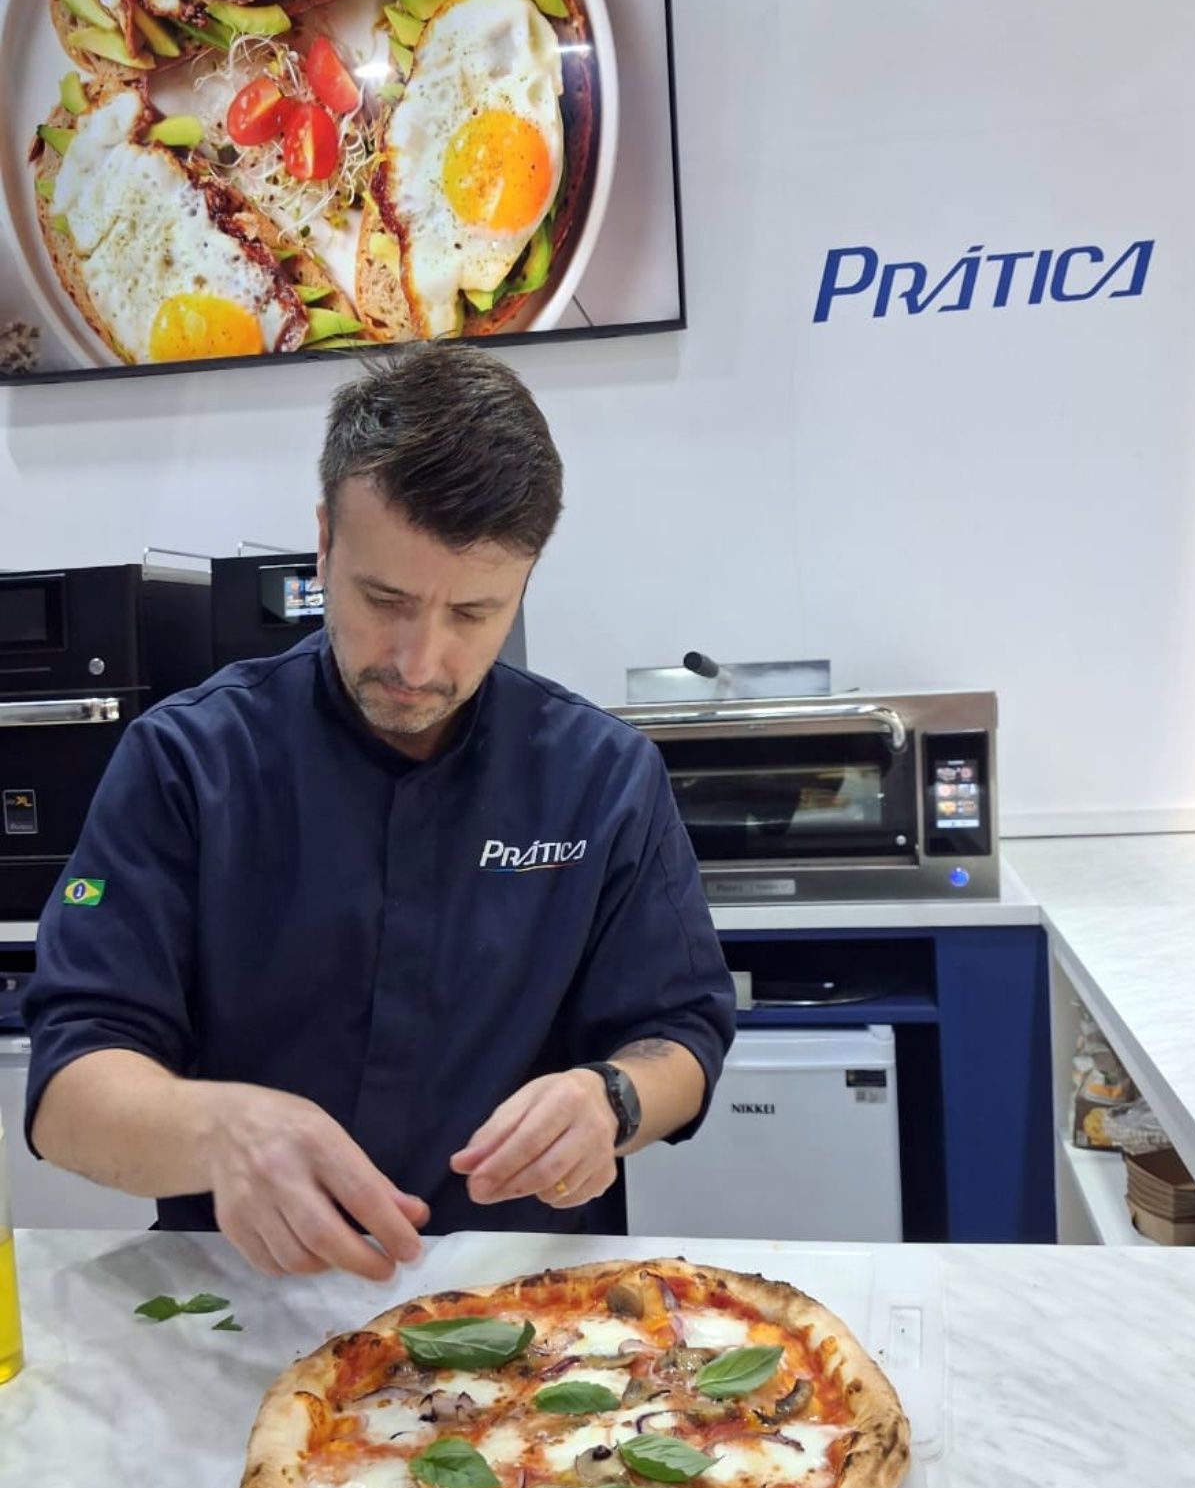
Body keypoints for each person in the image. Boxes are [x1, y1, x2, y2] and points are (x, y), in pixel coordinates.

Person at [24, 345, 735, 1281]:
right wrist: (216, 1132)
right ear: (323, 542)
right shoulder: (187, 763)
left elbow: (682, 1032)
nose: (417, 659)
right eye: (382, 598)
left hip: (525, 1307)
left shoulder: (601, 776)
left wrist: (612, 1099)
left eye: (473, 613)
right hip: (245, 1298)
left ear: (525, 581)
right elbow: (69, 1087)